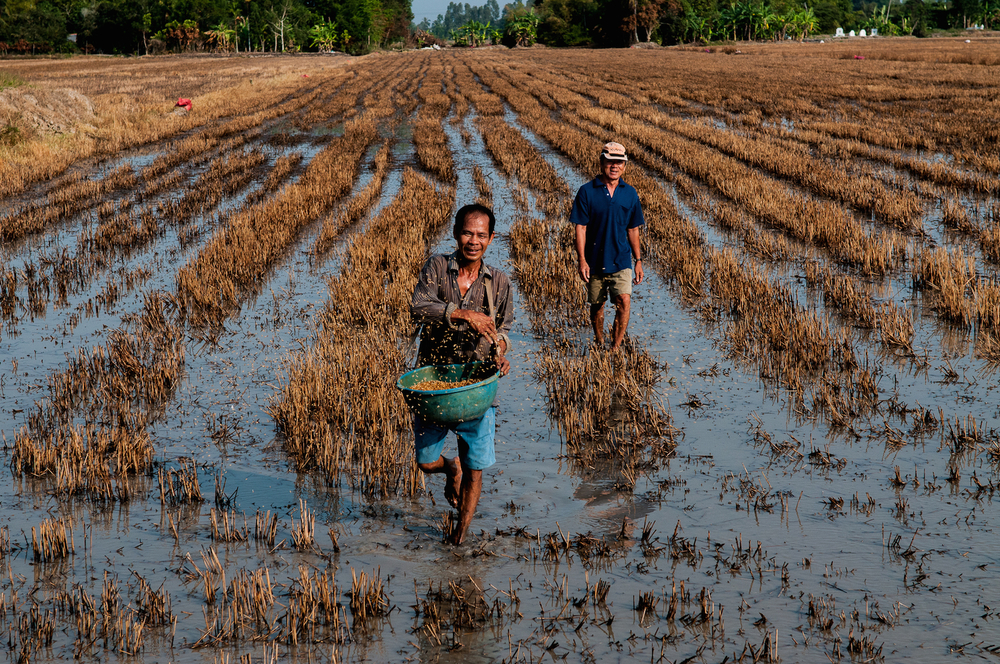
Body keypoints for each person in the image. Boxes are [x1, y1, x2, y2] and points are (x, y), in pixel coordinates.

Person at [410, 203, 513, 545]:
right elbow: (419, 306)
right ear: (456, 234)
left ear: (491, 238)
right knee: (425, 462)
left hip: (477, 384)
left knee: (476, 468)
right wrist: (463, 313)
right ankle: (448, 468)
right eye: (468, 233)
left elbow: (503, 331)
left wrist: (500, 354)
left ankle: (458, 538)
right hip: (434, 380)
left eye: (481, 235)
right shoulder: (438, 267)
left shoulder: (498, 281)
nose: (474, 240)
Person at [571, 141, 645, 350]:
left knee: (624, 301)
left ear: (624, 166)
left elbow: (633, 229)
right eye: (610, 161)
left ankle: (615, 347)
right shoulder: (586, 191)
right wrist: (582, 260)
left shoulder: (630, 193)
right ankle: (599, 339)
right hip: (594, 259)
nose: (615, 166)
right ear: (602, 162)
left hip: (621, 258)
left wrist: (638, 260)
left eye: (619, 162)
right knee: (597, 305)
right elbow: (581, 228)